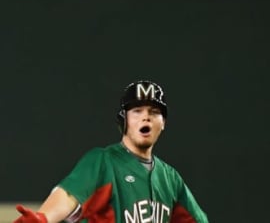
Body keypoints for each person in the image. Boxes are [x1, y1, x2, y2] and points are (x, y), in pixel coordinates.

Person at [13, 80, 209, 223]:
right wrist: (41, 219)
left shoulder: (170, 179)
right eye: (137, 111)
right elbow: (66, 198)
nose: (146, 118)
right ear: (124, 119)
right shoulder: (101, 162)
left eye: (154, 112)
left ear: (163, 123)